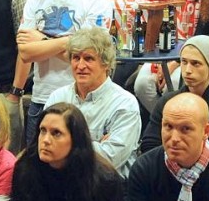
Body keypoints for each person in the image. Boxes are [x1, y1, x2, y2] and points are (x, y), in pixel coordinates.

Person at [17, 0, 112, 142]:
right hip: (42, 98)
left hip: (83, 100)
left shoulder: (96, 1)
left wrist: (42, 40)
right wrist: (71, 41)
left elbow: (88, 56)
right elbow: (25, 52)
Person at [10, 102, 124, 201]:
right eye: (42, 130)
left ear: (76, 140)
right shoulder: (25, 169)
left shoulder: (105, 181)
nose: (45, 140)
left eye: (56, 133)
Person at [44, 27, 140, 177]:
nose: (81, 66)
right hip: (62, 184)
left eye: (88, 58)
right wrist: (94, 146)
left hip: (108, 189)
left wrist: (62, 146)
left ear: (106, 64)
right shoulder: (57, 97)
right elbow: (43, 148)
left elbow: (110, 159)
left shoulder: (125, 104)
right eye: (76, 58)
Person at [140, 36, 209, 157]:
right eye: (184, 62)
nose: (187, 70)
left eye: (196, 64)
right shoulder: (167, 102)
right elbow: (148, 145)